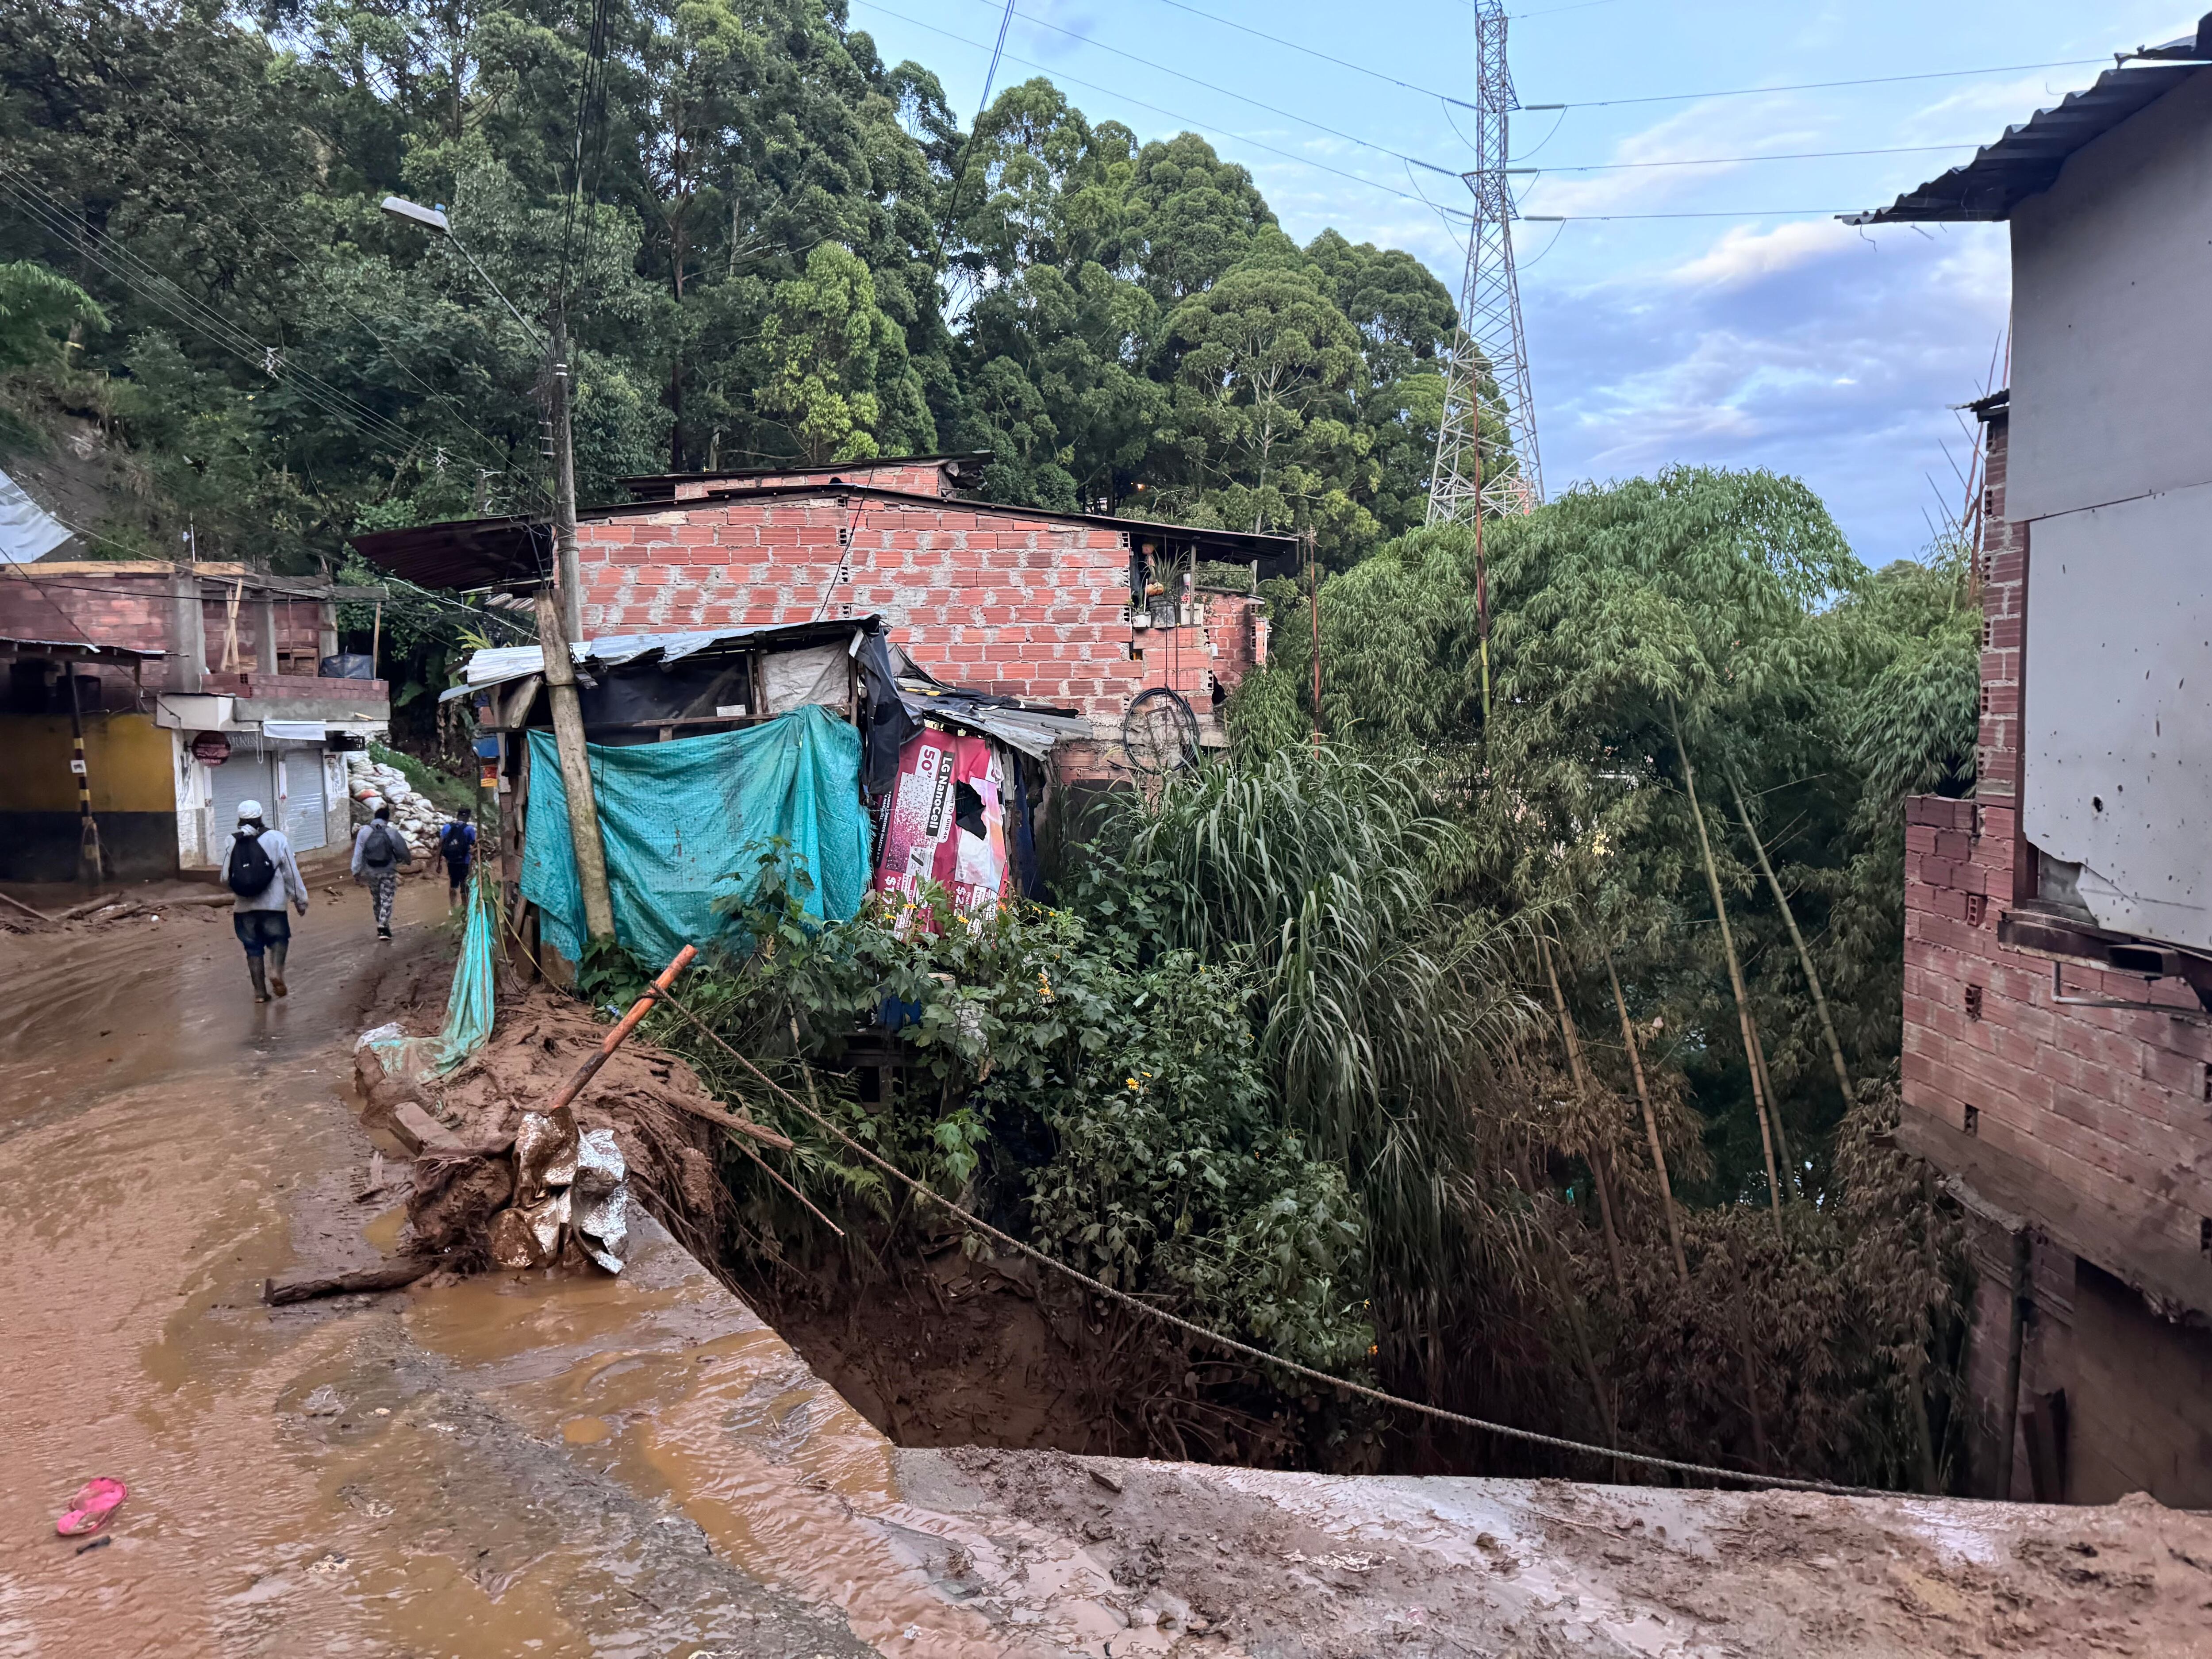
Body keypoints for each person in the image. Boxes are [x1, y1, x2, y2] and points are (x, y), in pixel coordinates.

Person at [220, 799, 308, 1002]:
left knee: (253, 948)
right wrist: (300, 900)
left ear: (239, 819)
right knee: (279, 940)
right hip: (274, 905)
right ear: (261, 817)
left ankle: (260, 993)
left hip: (243, 908)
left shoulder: (231, 841)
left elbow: (225, 877)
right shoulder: (277, 838)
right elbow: (291, 875)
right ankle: (276, 972)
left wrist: (241, 887)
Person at [351, 803, 413, 940]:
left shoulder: (364, 831)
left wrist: (356, 872)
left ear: (375, 818)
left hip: (371, 871)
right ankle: (383, 927)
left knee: (376, 899)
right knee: (387, 898)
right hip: (388, 870)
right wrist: (408, 861)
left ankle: (382, 925)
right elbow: (403, 851)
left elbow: (358, 853)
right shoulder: (392, 832)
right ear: (387, 819)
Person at [438, 808, 477, 909]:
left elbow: (441, 845)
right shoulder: (469, 829)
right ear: (467, 817)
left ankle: (453, 909)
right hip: (464, 861)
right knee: (464, 885)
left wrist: (439, 864)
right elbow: (473, 846)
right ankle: (466, 908)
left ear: (457, 816)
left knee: (453, 884)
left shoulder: (447, 827)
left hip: (451, 861)